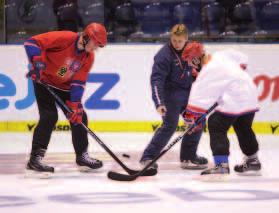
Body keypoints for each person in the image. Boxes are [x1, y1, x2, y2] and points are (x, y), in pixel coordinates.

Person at [24, 22, 107, 175]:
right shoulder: (65, 38)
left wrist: (75, 104)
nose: (96, 48)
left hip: (64, 86)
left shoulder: (88, 57)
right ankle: (35, 159)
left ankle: (82, 156)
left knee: (80, 117)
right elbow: (32, 42)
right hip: (44, 81)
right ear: (86, 37)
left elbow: (78, 82)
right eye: (96, 43)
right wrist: (37, 62)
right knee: (49, 117)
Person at [181, 42, 261, 176]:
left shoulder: (208, 70)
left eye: (190, 61)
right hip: (250, 93)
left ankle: (221, 165)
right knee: (243, 126)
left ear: (195, 59)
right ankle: (253, 160)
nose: (190, 65)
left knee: (215, 124)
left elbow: (198, 96)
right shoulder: (221, 55)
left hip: (237, 97)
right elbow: (242, 58)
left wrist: (191, 118)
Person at [139, 24, 208, 170]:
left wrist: (202, 66)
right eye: (174, 40)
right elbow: (156, 80)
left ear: (186, 39)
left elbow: (204, 71)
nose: (176, 44)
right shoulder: (164, 55)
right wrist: (159, 102)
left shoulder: (193, 50)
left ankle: (188, 157)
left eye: (180, 41)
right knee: (170, 125)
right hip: (170, 96)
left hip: (188, 94)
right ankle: (148, 157)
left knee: (198, 121)